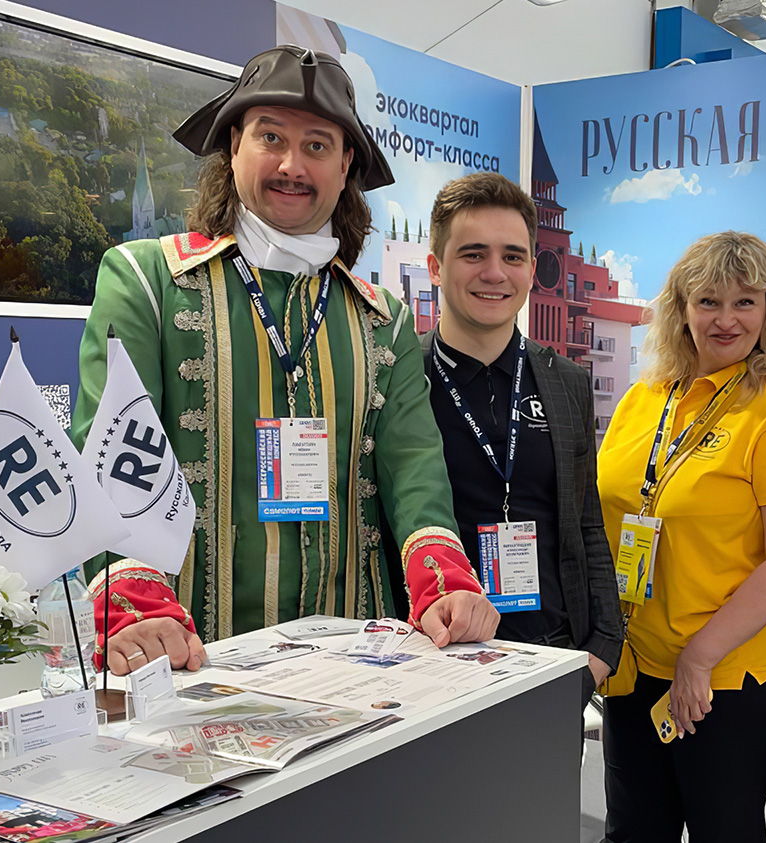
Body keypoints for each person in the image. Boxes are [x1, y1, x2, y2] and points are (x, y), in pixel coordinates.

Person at [73, 46, 497, 675]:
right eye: (270, 137)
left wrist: (444, 583)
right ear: (233, 146)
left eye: (317, 146)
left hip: (358, 660)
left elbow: (414, 464)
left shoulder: (383, 316)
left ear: (346, 165)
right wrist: (132, 600)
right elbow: (112, 451)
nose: (292, 165)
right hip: (187, 651)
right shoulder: (146, 280)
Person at [596, 231, 766, 842]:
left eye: (745, 302)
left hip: (725, 677)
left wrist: (699, 657)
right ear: (681, 309)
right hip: (634, 664)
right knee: (633, 833)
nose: (726, 319)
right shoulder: (641, 400)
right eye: (708, 301)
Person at [418, 172, 622, 704]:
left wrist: (602, 647)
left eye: (512, 256)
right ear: (436, 266)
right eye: (473, 254)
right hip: (432, 662)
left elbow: (586, 522)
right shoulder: (402, 378)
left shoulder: (566, 381)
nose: (495, 272)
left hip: (552, 659)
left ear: (532, 269)